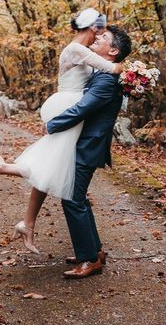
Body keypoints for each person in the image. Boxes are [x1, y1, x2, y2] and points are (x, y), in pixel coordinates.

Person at [0, 8, 123, 253]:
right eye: (101, 31)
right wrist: (137, 74)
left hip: (67, 105)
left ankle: (25, 219)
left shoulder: (82, 51)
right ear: (93, 28)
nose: (101, 36)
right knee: (56, 169)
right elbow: (114, 69)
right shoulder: (76, 49)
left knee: (53, 165)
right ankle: (3, 177)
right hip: (66, 107)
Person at [45, 25, 131, 278]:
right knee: (77, 197)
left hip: (88, 145)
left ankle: (89, 260)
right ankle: (94, 251)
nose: (97, 37)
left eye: (103, 37)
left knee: (72, 198)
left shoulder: (106, 79)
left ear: (113, 51)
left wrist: (52, 124)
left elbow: (83, 108)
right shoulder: (102, 72)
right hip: (86, 143)